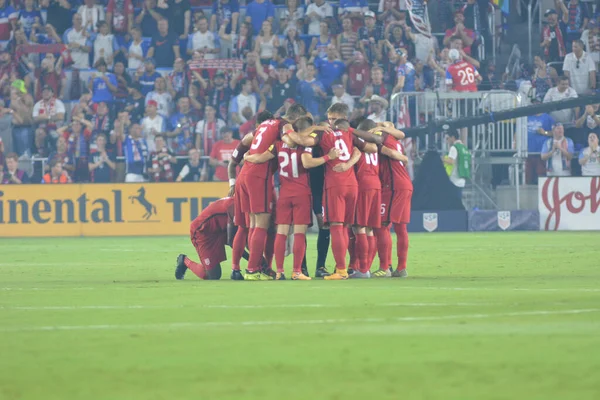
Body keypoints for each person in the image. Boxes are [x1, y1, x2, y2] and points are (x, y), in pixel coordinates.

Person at [237, 104, 309, 280]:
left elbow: (248, 140)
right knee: (262, 223)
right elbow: (291, 141)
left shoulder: (265, 124)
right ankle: (253, 270)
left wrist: (245, 156)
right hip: (259, 175)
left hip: (246, 172)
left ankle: (254, 268)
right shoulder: (284, 125)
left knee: (253, 223)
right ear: (297, 118)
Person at [373, 123, 412, 278]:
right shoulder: (397, 140)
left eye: (382, 125)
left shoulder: (385, 138)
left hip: (394, 186)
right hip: (405, 184)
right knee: (401, 228)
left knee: (382, 225)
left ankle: (385, 267)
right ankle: (401, 268)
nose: (378, 126)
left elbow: (388, 152)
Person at [175, 197, 235, 281]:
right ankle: (184, 261)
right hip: (203, 232)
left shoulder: (237, 203)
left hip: (218, 230)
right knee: (213, 275)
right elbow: (232, 242)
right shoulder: (234, 208)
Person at [526, 100, 555, 184]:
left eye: (538, 104)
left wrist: (544, 132)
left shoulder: (548, 118)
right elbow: (518, 131)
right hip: (527, 151)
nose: (536, 105)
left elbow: (555, 133)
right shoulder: (526, 117)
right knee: (527, 177)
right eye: (534, 103)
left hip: (541, 152)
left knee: (541, 176)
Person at [443, 130, 469, 201]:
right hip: (462, 178)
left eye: (448, 138)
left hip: (455, 180)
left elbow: (451, 161)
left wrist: (442, 159)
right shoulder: (463, 147)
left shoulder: (454, 148)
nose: (447, 141)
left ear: (453, 137)